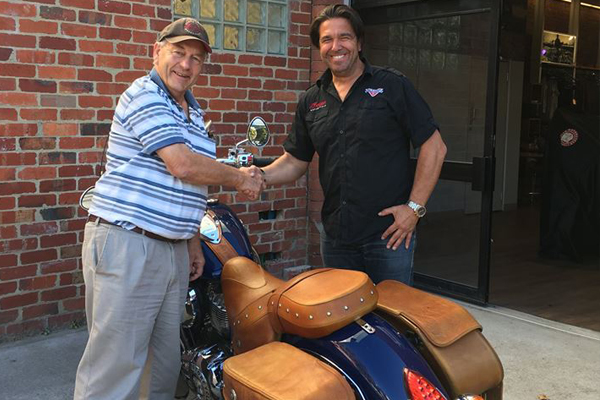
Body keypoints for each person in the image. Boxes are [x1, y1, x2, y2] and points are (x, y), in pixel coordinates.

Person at [74, 18, 263, 400]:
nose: (186, 64)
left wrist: (191, 242)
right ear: (157, 51)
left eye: (196, 58)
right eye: (179, 52)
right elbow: (182, 165)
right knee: (114, 370)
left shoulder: (193, 112)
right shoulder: (144, 95)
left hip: (171, 249)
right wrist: (240, 178)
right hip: (129, 242)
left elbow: (188, 186)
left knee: (163, 367)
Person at [260, 5, 446, 284]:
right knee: (340, 311)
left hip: (388, 235)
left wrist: (414, 209)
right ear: (319, 48)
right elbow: (295, 161)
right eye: (327, 39)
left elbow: (435, 147)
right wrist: (258, 176)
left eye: (344, 37)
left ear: (359, 43)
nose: (336, 46)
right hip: (336, 238)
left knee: (391, 310)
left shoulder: (392, 86)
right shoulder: (311, 100)